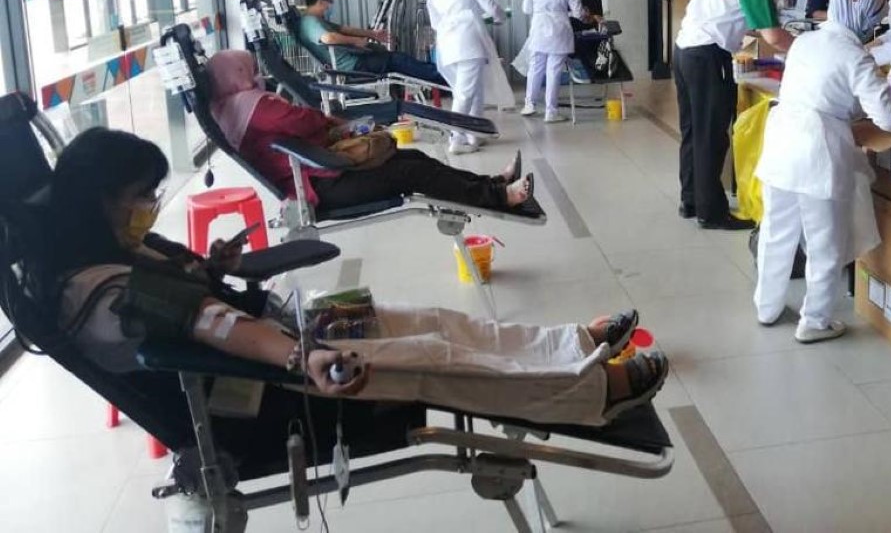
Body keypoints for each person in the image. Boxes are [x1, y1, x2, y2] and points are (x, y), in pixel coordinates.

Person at [28, 128, 668, 426]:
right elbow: (209, 322)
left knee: (429, 320)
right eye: (140, 195)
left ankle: (568, 345)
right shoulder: (104, 295)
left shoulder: (120, 246)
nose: (150, 206)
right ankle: (589, 392)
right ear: (99, 198)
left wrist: (211, 266)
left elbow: (196, 290)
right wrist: (302, 354)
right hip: (264, 384)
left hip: (278, 339)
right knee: (431, 358)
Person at [754, 0, 891, 342]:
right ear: (862, 17)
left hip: (782, 137)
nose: (872, 28)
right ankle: (814, 322)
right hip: (817, 146)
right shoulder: (854, 54)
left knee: (776, 229)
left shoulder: (805, 41)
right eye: (873, 19)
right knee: (825, 240)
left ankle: (766, 306)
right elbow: (886, 114)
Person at [207, 50, 533, 212]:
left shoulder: (231, 109)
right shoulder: (255, 107)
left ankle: (492, 184)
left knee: (414, 157)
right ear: (237, 74)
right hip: (321, 183)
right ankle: (500, 197)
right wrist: (331, 123)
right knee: (411, 170)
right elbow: (302, 120)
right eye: (248, 68)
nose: (256, 73)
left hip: (319, 171)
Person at [674, 0, 801, 231]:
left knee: (693, 130)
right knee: (712, 136)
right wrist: (810, 47)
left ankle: (690, 199)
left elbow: (737, 13)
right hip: (709, 57)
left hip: (684, 50)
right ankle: (711, 212)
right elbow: (773, 37)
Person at [426, 0, 511, 155]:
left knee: (472, 90)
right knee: (465, 94)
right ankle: (456, 139)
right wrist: (500, 18)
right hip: (469, 45)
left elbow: (435, 22)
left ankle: (474, 134)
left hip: (446, 46)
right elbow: (491, 7)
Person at [298, 0, 444, 85]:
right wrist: (355, 41)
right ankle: (443, 76)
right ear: (320, 2)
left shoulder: (317, 20)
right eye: (330, 1)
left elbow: (343, 29)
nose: (331, 5)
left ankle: (439, 74)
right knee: (397, 61)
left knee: (396, 58)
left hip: (354, 61)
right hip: (351, 67)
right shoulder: (310, 23)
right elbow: (329, 37)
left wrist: (373, 34)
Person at [520, 0, 586, 123]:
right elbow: (579, 13)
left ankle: (529, 104)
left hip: (539, 29)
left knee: (535, 67)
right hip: (559, 30)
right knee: (554, 70)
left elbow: (526, 9)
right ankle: (551, 112)